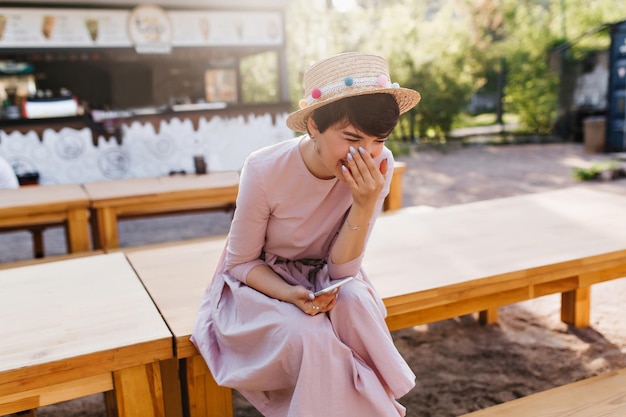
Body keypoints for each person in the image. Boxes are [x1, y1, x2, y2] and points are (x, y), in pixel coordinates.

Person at [191, 51, 421, 416]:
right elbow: (240, 263)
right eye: (351, 137)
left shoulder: (380, 164)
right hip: (261, 283)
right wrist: (289, 293)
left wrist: (363, 204)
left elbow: (342, 273)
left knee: (357, 303)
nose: (365, 153)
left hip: (328, 278)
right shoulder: (265, 169)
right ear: (314, 124)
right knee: (310, 338)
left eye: (379, 139)